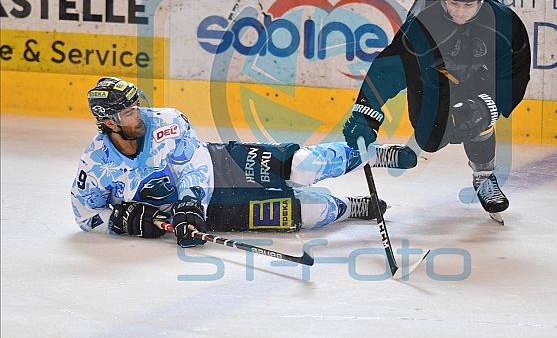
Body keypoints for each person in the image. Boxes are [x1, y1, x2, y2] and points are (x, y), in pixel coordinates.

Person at [72, 77, 417, 247]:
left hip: (221, 162)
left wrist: (190, 202)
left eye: (137, 106)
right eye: (129, 112)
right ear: (110, 123)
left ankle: (369, 154)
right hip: (213, 210)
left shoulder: (167, 121)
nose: (140, 115)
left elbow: (192, 164)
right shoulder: (96, 164)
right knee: (302, 213)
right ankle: (347, 207)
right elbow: (85, 215)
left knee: (302, 166)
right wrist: (121, 222)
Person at [343, 0, 531, 219]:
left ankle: (485, 176)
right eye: (454, 2)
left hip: (478, 78)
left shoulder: (503, 23)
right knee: (430, 140)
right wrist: (366, 110)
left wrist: (488, 105)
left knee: (477, 115)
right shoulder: (424, 20)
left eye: (469, 4)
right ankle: (392, 150)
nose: (460, 12)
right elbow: (393, 67)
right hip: (433, 75)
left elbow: (516, 70)